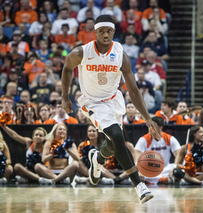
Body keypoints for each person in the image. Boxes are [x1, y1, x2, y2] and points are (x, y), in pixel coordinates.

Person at [60, 15, 161, 203]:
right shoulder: (81, 52)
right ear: (95, 32)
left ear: (114, 32)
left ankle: (97, 159)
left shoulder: (121, 55)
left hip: (114, 100)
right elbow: (67, 68)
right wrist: (64, 96)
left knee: (113, 143)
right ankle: (139, 185)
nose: (105, 34)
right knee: (117, 136)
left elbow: (133, 89)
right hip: (92, 102)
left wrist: (147, 118)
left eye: (109, 31)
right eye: (101, 31)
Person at [135, 117, 181, 185]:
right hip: (149, 169)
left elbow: (179, 154)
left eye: (153, 126)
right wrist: (140, 171)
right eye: (149, 126)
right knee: (135, 167)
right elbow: (137, 158)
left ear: (160, 127)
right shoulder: (143, 139)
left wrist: (174, 168)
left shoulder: (169, 138)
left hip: (166, 169)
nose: (150, 128)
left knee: (178, 168)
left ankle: (154, 180)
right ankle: (163, 180)